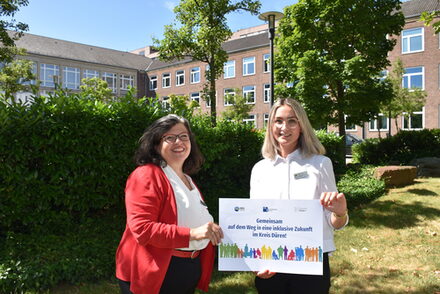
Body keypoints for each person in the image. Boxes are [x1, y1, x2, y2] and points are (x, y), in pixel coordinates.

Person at [115, 114, 224, 294]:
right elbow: (142, 229)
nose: (178, 142)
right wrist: (193, 233)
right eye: (169, 138)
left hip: (185, 269)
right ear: (156, 144)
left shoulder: (187, 179)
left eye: (183, 136)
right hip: (158, 271)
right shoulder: (146, 175)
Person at [250, 98, 348, 294]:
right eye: (278, 121)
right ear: (271, 126)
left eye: (292, 121)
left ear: (301, 126)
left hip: (311, 261)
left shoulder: (320, 164)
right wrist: (255, 260)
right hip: (272, 262)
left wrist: (340, 212)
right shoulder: (260, 169)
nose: (284, 127)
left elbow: (334, 222)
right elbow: (255, 222)